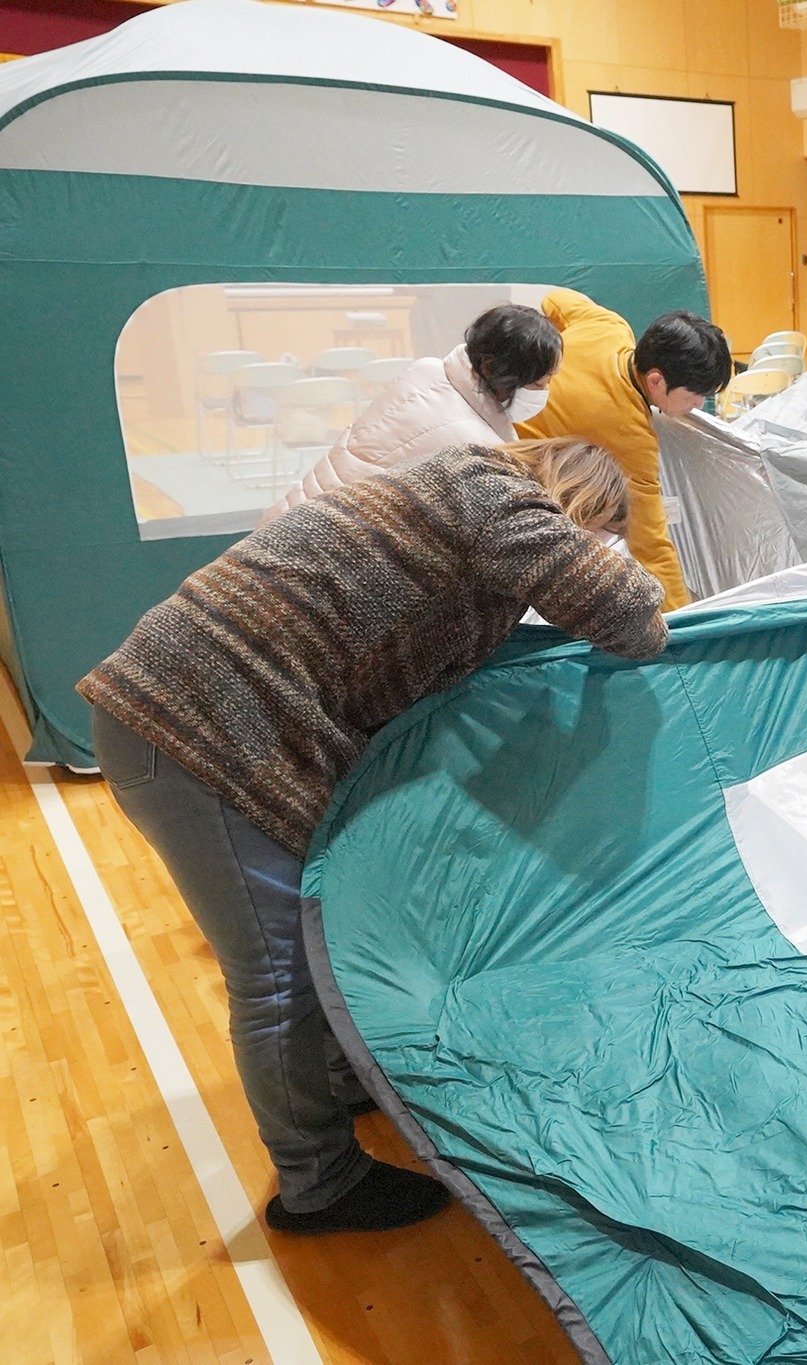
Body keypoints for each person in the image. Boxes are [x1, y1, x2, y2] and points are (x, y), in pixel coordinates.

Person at [80, 438, 670, 1236]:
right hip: (194, 728)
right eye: (592, 531)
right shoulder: (488, 493)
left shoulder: (446, 501)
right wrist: (629, 572)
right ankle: (318, 1183)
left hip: (195, 712)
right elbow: (631, 619)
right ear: (576, 505)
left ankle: (334, 1076)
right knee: (277, 971)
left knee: (313, 934)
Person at [515, 290, 732, 610]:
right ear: (657, 381)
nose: (698, 406)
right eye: (694, 396)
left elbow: (555, 300)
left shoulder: (607, 326)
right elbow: (651, 546)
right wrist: (684, 621)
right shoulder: (632, 439)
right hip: (515, 472)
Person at [263, 303, 557, 522]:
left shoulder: (426, 370)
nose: (543, 392)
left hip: (289, 516)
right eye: (539, 383)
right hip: (317, 553)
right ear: (498, 372)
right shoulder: (479, 446)